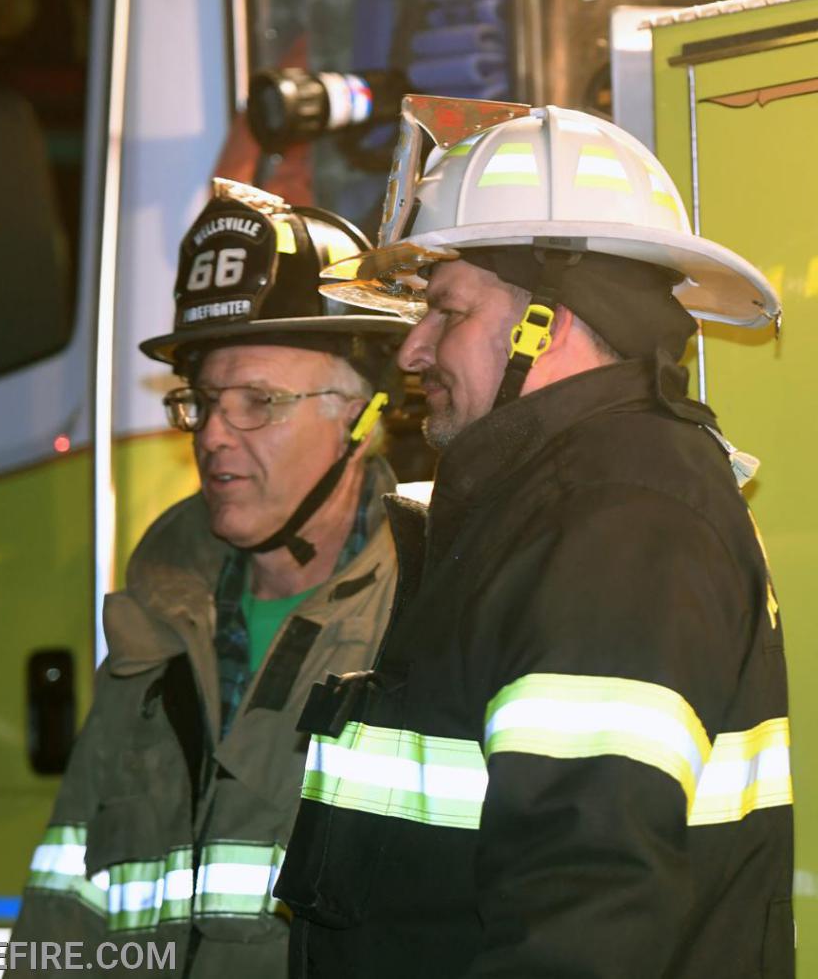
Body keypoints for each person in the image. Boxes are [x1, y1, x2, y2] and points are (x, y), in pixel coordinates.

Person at [275, 102, 794, 977]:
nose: (413, 352)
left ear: (544, 324)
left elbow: (586, 907)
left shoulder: (622, 519)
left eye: (447, 312)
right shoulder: (554, 505)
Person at [8, 178, 407, 976]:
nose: (215, 434)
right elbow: (63, 917)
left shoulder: (427, 614)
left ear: (361, 419)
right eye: (203, 400)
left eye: (258, 401)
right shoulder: (156, 622)